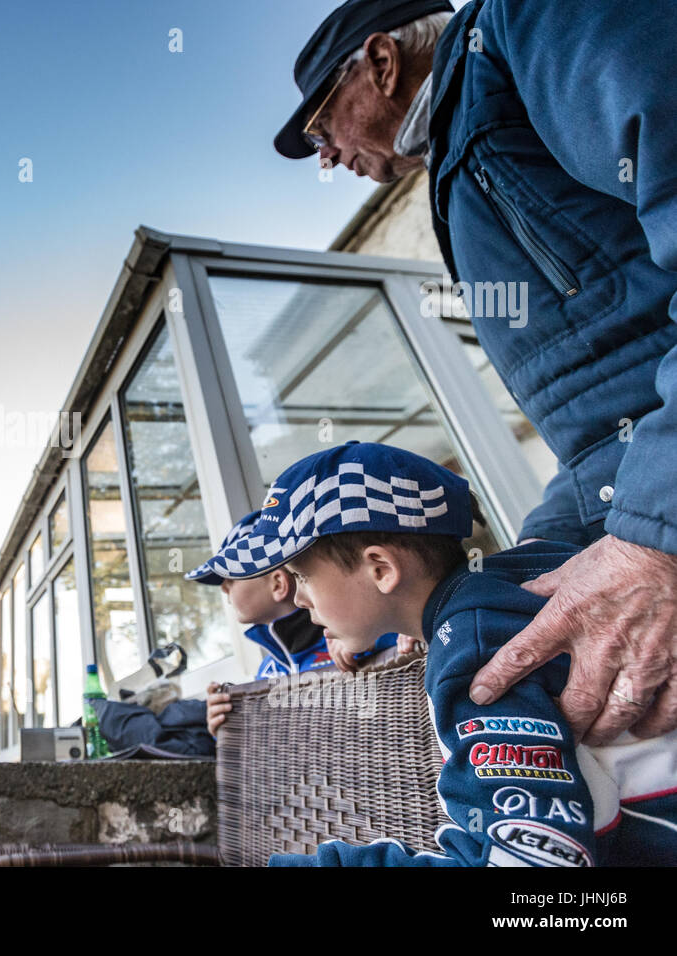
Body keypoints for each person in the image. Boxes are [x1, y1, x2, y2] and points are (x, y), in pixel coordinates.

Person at [272, 0, 677, 748]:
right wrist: (445, 607)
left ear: (382, 64)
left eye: (321, 128)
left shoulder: (533, 30)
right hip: (637, 476)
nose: (326, 156)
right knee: (484, 636)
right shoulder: (457, 164)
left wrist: (657, 536)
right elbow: (600, 433)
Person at [226, 440, 676, 865]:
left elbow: (533, 860)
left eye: (301, 577)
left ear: (381, 569)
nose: (298, 601)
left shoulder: (473, 653)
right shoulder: (502, 591)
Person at [185, 509, 400, 736]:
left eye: (231, 575)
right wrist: (231, 726)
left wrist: (373, 639)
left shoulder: (359, 638)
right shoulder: (266, 671)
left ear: (278, 583)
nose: (223, 587)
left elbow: (414, 642)